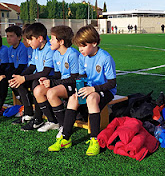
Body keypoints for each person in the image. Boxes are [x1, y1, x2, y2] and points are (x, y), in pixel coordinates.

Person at [48, 25, 117, 156]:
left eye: (83, 46)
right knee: (73, 98)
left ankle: (94, 140)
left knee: (91, 98)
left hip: (105, 90)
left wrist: (93, 89)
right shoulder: (82, 56)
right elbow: (82, 75)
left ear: (94, 43)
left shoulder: (105, 58)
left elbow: (112, 83)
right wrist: (79, 86)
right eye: (79, 46)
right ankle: (65, 138)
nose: (80, 49)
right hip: (89, 88)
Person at [9, 22, 54, 131]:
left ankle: (38, 119)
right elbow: (32, 67)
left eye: (30, 39)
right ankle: (28, 113)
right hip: (39, 77)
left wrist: (24, 78)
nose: (28, 42)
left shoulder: (49, 49)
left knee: (35, 83)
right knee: (19, 83)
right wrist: (19, 78)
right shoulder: (36, 49)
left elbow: (45, 72)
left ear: (40, 38)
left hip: (50, 78)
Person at [34, 25, 79, 134]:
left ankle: (63, 125)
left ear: (61, 42)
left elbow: (75, 78)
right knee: (38, 90)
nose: (50, 42)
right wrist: (47, 78)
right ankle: (52, 121)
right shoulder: (56, 54)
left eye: (52, 39)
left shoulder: (72, 54)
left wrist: (53, 82)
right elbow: (58, 75)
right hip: (62, 84)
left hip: (74, 85)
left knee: (51, 93)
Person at [0, 25, 28, 110]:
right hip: (16, 73)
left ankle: (28, 107)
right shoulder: (10, 49)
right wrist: (3, 75)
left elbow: (21, 67)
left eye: (11, 36)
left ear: (19, 37)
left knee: (9, 81)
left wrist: (5, 76)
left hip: (24, 73)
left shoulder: (23, 48)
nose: (8, 38)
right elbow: (11, 66)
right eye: (7, 36)